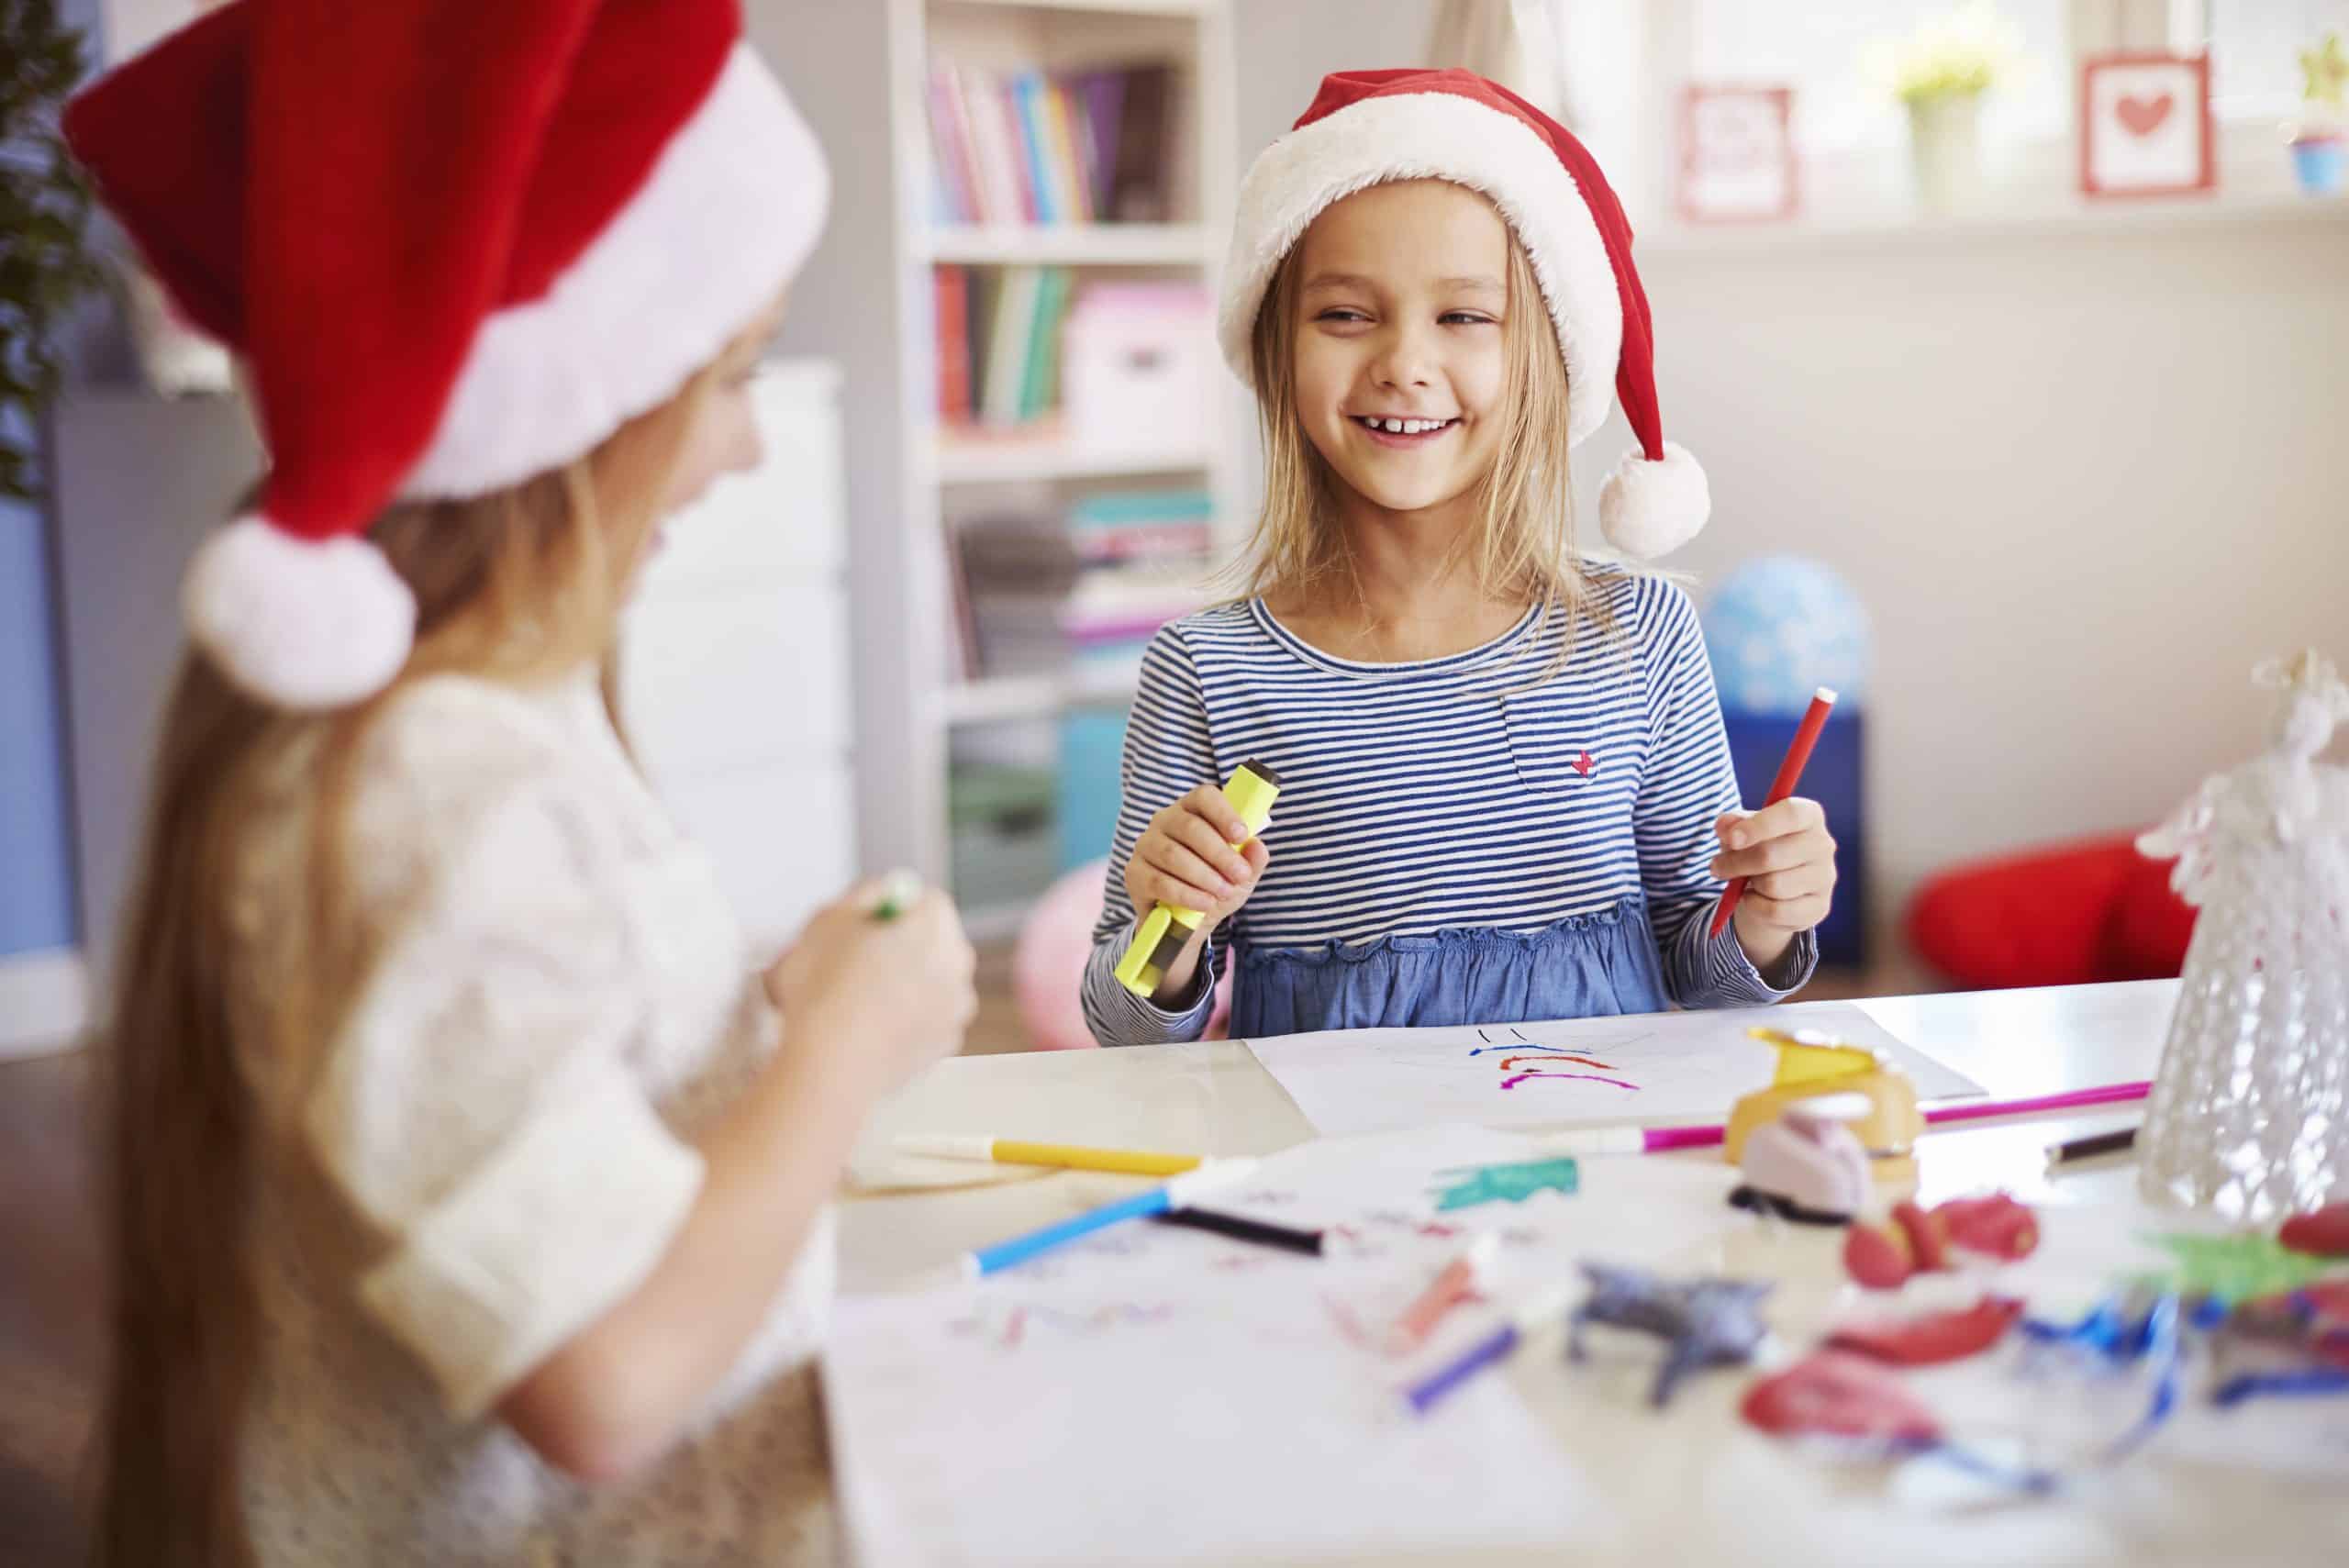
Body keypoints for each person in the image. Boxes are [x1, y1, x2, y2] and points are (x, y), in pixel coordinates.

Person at [68, 2, 973, 1562]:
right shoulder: (427, 787)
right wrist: (838, 1046)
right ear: (576, 406)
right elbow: (606, 1379)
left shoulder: (493, 727)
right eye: (732, 377)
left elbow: (521, 1078)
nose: (747, 447)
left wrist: (741, 1028)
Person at [1084, 70, 1835, 1048]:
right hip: (1336, 1177)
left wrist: (1770, 914)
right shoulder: (1208, 669)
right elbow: (1126, 1025)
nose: (1402, 361)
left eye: (1465, 317)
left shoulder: (1641, 634)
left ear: (1546, 358)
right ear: (1277, 352)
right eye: (1345, 314)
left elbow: (1711, 975)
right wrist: (1169, 924)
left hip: (1592, 1159)